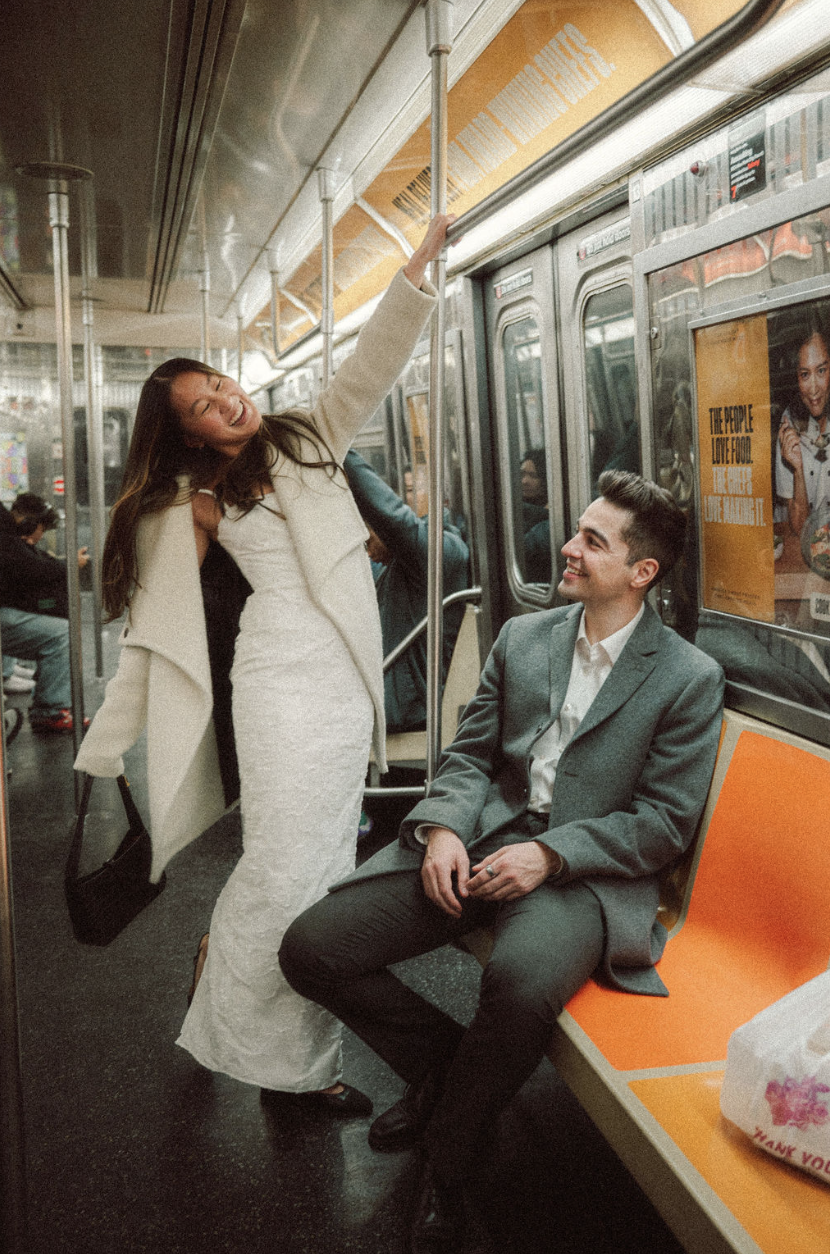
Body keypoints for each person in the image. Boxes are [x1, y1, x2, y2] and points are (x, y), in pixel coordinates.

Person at [279, 470, 724, 1251]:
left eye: (593, 541)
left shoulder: (687, 678)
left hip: (580, 873)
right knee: (312, 949)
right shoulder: (526, 638)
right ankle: (454, 1076)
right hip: (481, 837)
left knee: (517, 985)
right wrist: (444, 828)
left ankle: (449, 1161)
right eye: (577, 530)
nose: (569, 547)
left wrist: (549, 855)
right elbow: (469, 754)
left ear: (642, 572)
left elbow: (663, 824)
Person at [73, 214, 453, 1113]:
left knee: (319, 875)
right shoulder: (196, 504)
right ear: (190, 436)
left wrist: (415, 273)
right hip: (278, 684)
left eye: (222, 384)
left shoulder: (309, 436)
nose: (227, 401)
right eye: (204, 406)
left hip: (344, 688)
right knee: (283, 873)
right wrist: (104, 744)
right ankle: (282, 1062)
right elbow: (155, 631)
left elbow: (369, 367)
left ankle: (279, 1056)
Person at [343, 449, 470, 734]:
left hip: (415, 712)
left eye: (368, 539)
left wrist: (335, 445)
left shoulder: (442, 552)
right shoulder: (391, 568)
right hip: (395, 703)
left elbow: (393, 518)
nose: (367, 551)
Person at [0, 493, 89, 732]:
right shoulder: (6, 537)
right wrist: (67, 565)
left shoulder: (8, 534)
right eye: (42, 529)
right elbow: (31, 569)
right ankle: (49, 710)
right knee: (62, 634)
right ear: (30, 525)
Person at [776, 322, 830, 536]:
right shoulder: (788, 423)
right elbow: (800, 528)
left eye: (822, 370)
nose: (814, 388)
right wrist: (797, 469)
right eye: (805, 375)